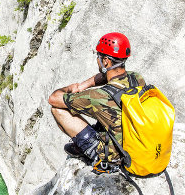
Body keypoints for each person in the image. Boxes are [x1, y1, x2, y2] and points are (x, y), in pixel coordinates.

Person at [47, 32, 145, 164]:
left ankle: (90, 150)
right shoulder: (136, 78)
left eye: (99, 56)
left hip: (114, 156)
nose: (97, 59)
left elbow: (54, 99)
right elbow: (107, 77)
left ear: (106, 61)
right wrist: (84, 85)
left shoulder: (98, 97)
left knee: (57, 110)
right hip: (136, 144)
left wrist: (72, 88)